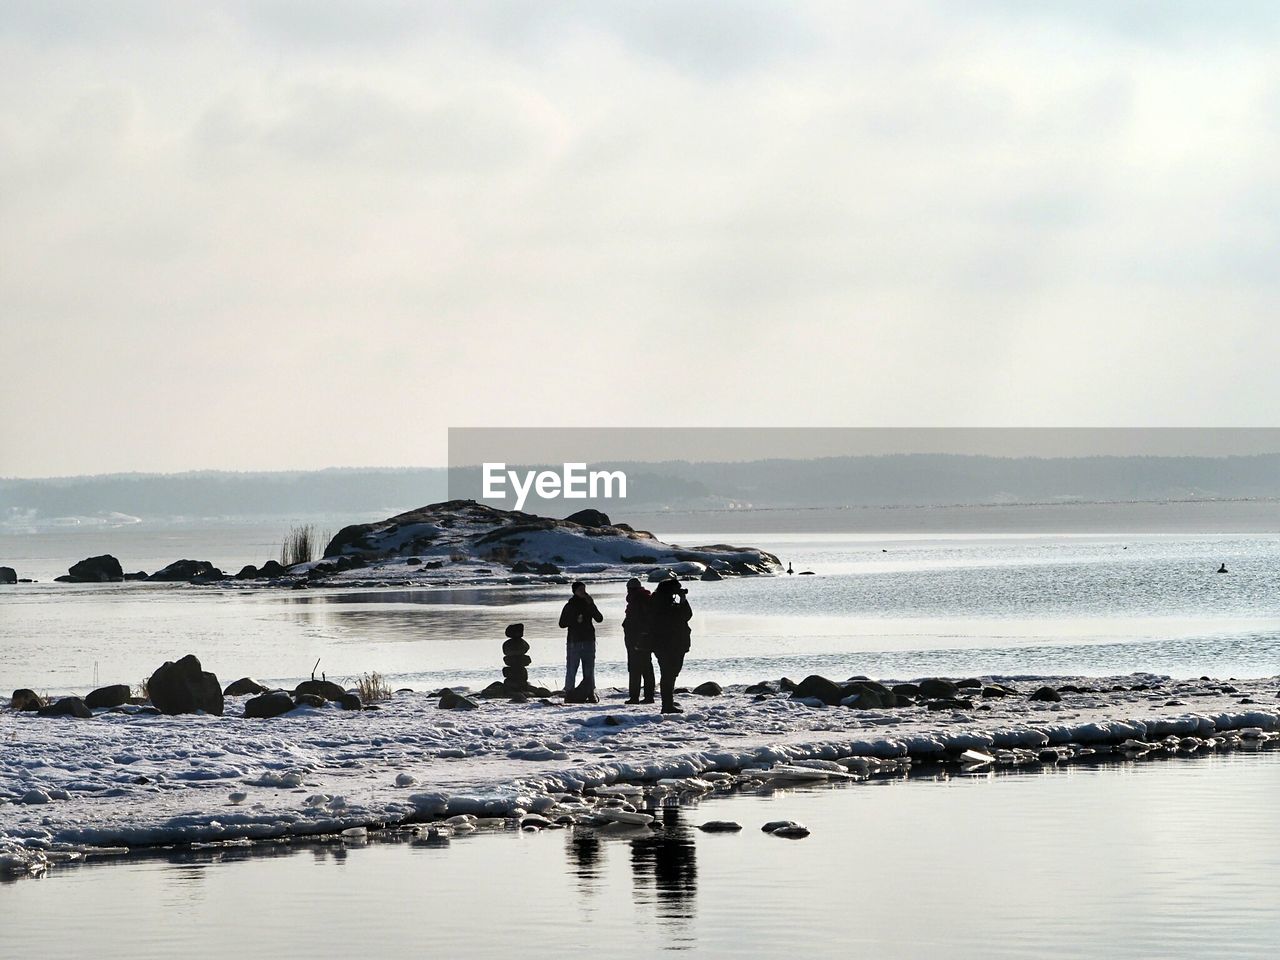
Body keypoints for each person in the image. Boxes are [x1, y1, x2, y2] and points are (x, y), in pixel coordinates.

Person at [648, 577, 692, 714]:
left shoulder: (659, 601)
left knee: (669, 674)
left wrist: (681, 599)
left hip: (667, 645)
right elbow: (684, 616)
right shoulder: (662, 604)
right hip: (669, 644)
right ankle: (667, 705)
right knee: (669, 674)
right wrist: (682, 599)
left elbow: (685, 615)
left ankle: (668, 703)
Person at [559, 580, 603, 703]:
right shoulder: (570, 605)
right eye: (580, 590)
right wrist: (575, 619)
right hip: (574, 642)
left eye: (584, 589)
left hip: (589, 640)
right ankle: (569, 692)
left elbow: (599, 619)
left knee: (589, 668)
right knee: (572, 668)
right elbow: (562, 624)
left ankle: (590, 692)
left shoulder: (589, 603)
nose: (583, 592)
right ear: (575, 592)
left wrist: (592, 605)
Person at [622, 577, 655, 704]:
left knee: (635, 668)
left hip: (636, 639)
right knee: (647, 667)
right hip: (645, 639)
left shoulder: (636, 600)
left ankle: (634, 697)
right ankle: (649, 696)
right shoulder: (646, 599)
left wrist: (637, 638)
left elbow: (635, 622)